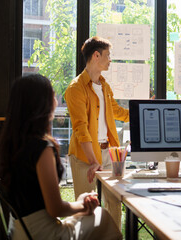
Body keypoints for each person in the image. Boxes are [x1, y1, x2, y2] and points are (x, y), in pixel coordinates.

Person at [0, 74, 122, 239]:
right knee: (103, 217)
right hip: (44, 234)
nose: (56, 101)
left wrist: (80, 203)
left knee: (95, 216)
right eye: (53, 96)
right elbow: (55, 209)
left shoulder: (12, 145)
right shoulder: (42, 149)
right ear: (41, 105)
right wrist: (82, 204)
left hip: (20, 232)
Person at [65, 36, 129, 228]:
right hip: (84, 156)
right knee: (86, 207)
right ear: (96, 55)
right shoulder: (75, 88)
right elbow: (80, 128)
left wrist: (140, 113)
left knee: (114, 203)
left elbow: (116, 111)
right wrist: (93, 160)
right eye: (108, 55)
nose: (110, 59)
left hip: (108, 153)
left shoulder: (104, 86)